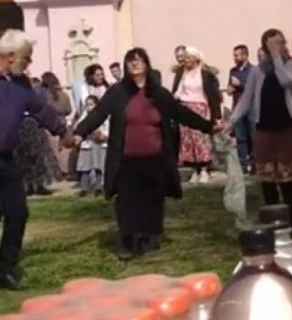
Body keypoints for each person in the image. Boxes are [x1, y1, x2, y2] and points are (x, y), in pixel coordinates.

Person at [73, 47, 216, 260]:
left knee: (152, 200)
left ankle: (149, 238)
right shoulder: (117, 93)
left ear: (147, 65)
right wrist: (79, 132)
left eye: (139, 60)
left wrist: (209, 126)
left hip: (155, 158)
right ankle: (129, 240)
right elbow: (98, 113)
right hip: (126, 159)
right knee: (128, 202)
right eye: (131, 60)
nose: (135, 63)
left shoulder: (159, 94)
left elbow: (181, 113)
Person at [0, 30, 70, 294]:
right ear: (10, 55)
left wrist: (63, 131)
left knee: (18, 211)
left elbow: (41, 110)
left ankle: (5, 269)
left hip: (6, 159)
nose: (29, 62)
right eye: (26, 57)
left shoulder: (21, 84)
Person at [227, 29, 292, 238]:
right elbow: (246, 98)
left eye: (279, 43)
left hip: (287, 126)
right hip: (264, 128)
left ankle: (291, 221)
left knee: (287, 179)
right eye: (271, 44)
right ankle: (273, 221)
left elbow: (285, 80)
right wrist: (231, 121)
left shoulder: (289, 65)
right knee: (268, 179)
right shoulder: (257, 71)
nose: (276, 48)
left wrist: (277, 58)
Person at [171, 46, 222, 184]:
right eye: (185, 57)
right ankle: (195, 170)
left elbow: (213, 95)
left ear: (195, 59)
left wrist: (216, 115)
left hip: (201, 108)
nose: (186, 60)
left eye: (188, 57)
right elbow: (178, 91)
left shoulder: (204, 73)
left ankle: (204, 169)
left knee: (201, 139)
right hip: (185, 108)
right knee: (188, 141)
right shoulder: (182, 73)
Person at [12, 72, 63, 198]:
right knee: (24, 158)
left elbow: (41, 109)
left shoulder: (33, 95)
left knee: (38, 157)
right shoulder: (11, 95)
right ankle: (28, 185)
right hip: (19, 128)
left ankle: (39, 184)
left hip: (33, 127)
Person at [74, 95, 109, 197]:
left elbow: (107, 129)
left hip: (99, 144)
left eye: (91, 104)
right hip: (87, 144)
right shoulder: (84, 116)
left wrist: (103, 135)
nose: (89, 107)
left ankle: (98, 187)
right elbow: (77, 128)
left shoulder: (103, 116)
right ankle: (84, 188)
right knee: (85, 167)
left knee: (99, 166)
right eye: (87, 105)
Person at [227, 44, 253, 170]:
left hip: (251, 108)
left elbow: (253, 89)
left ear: (245, 55)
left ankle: (254, 161)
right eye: (234, 55)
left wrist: (240, 84)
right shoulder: (233, 71)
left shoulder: (253, 70)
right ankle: (243, 163)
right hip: (237, 107)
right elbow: (230, 86)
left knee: (252, 135)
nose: (235, 58)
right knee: (240, 136)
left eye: (237, 55)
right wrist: (230, 89)